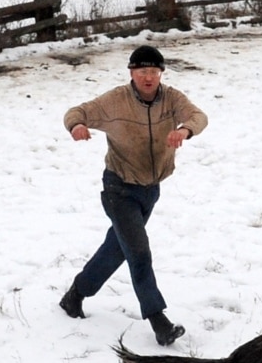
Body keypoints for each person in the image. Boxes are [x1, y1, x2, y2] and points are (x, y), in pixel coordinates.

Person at [59, 45, 208, 346]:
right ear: (131, 73)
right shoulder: (116, 101)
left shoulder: (171, 98)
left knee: (116, 249)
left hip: (150, 190)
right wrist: (76, 125)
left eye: (154, 72)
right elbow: (76, 113)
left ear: (161, 73)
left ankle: (75, 295)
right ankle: (158, 321)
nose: (148, 77)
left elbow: (198, 116)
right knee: (139, 252)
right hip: (119, 188)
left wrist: (184, 131)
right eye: (142, 72)